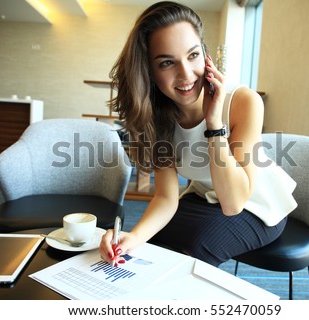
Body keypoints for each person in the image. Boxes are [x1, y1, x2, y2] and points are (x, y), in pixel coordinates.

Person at [99, 1, 297, 267]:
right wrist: (133, 237)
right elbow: (166, 197)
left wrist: (214, 123)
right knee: (152, 248)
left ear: (205, 55)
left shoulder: (243, 102)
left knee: (193, 251)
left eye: (192, 55)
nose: (186, 74)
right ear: (149, 71)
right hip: (205, 197)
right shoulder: (156, 117)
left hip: (257, 205)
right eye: (167, 62)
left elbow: (234, 203)